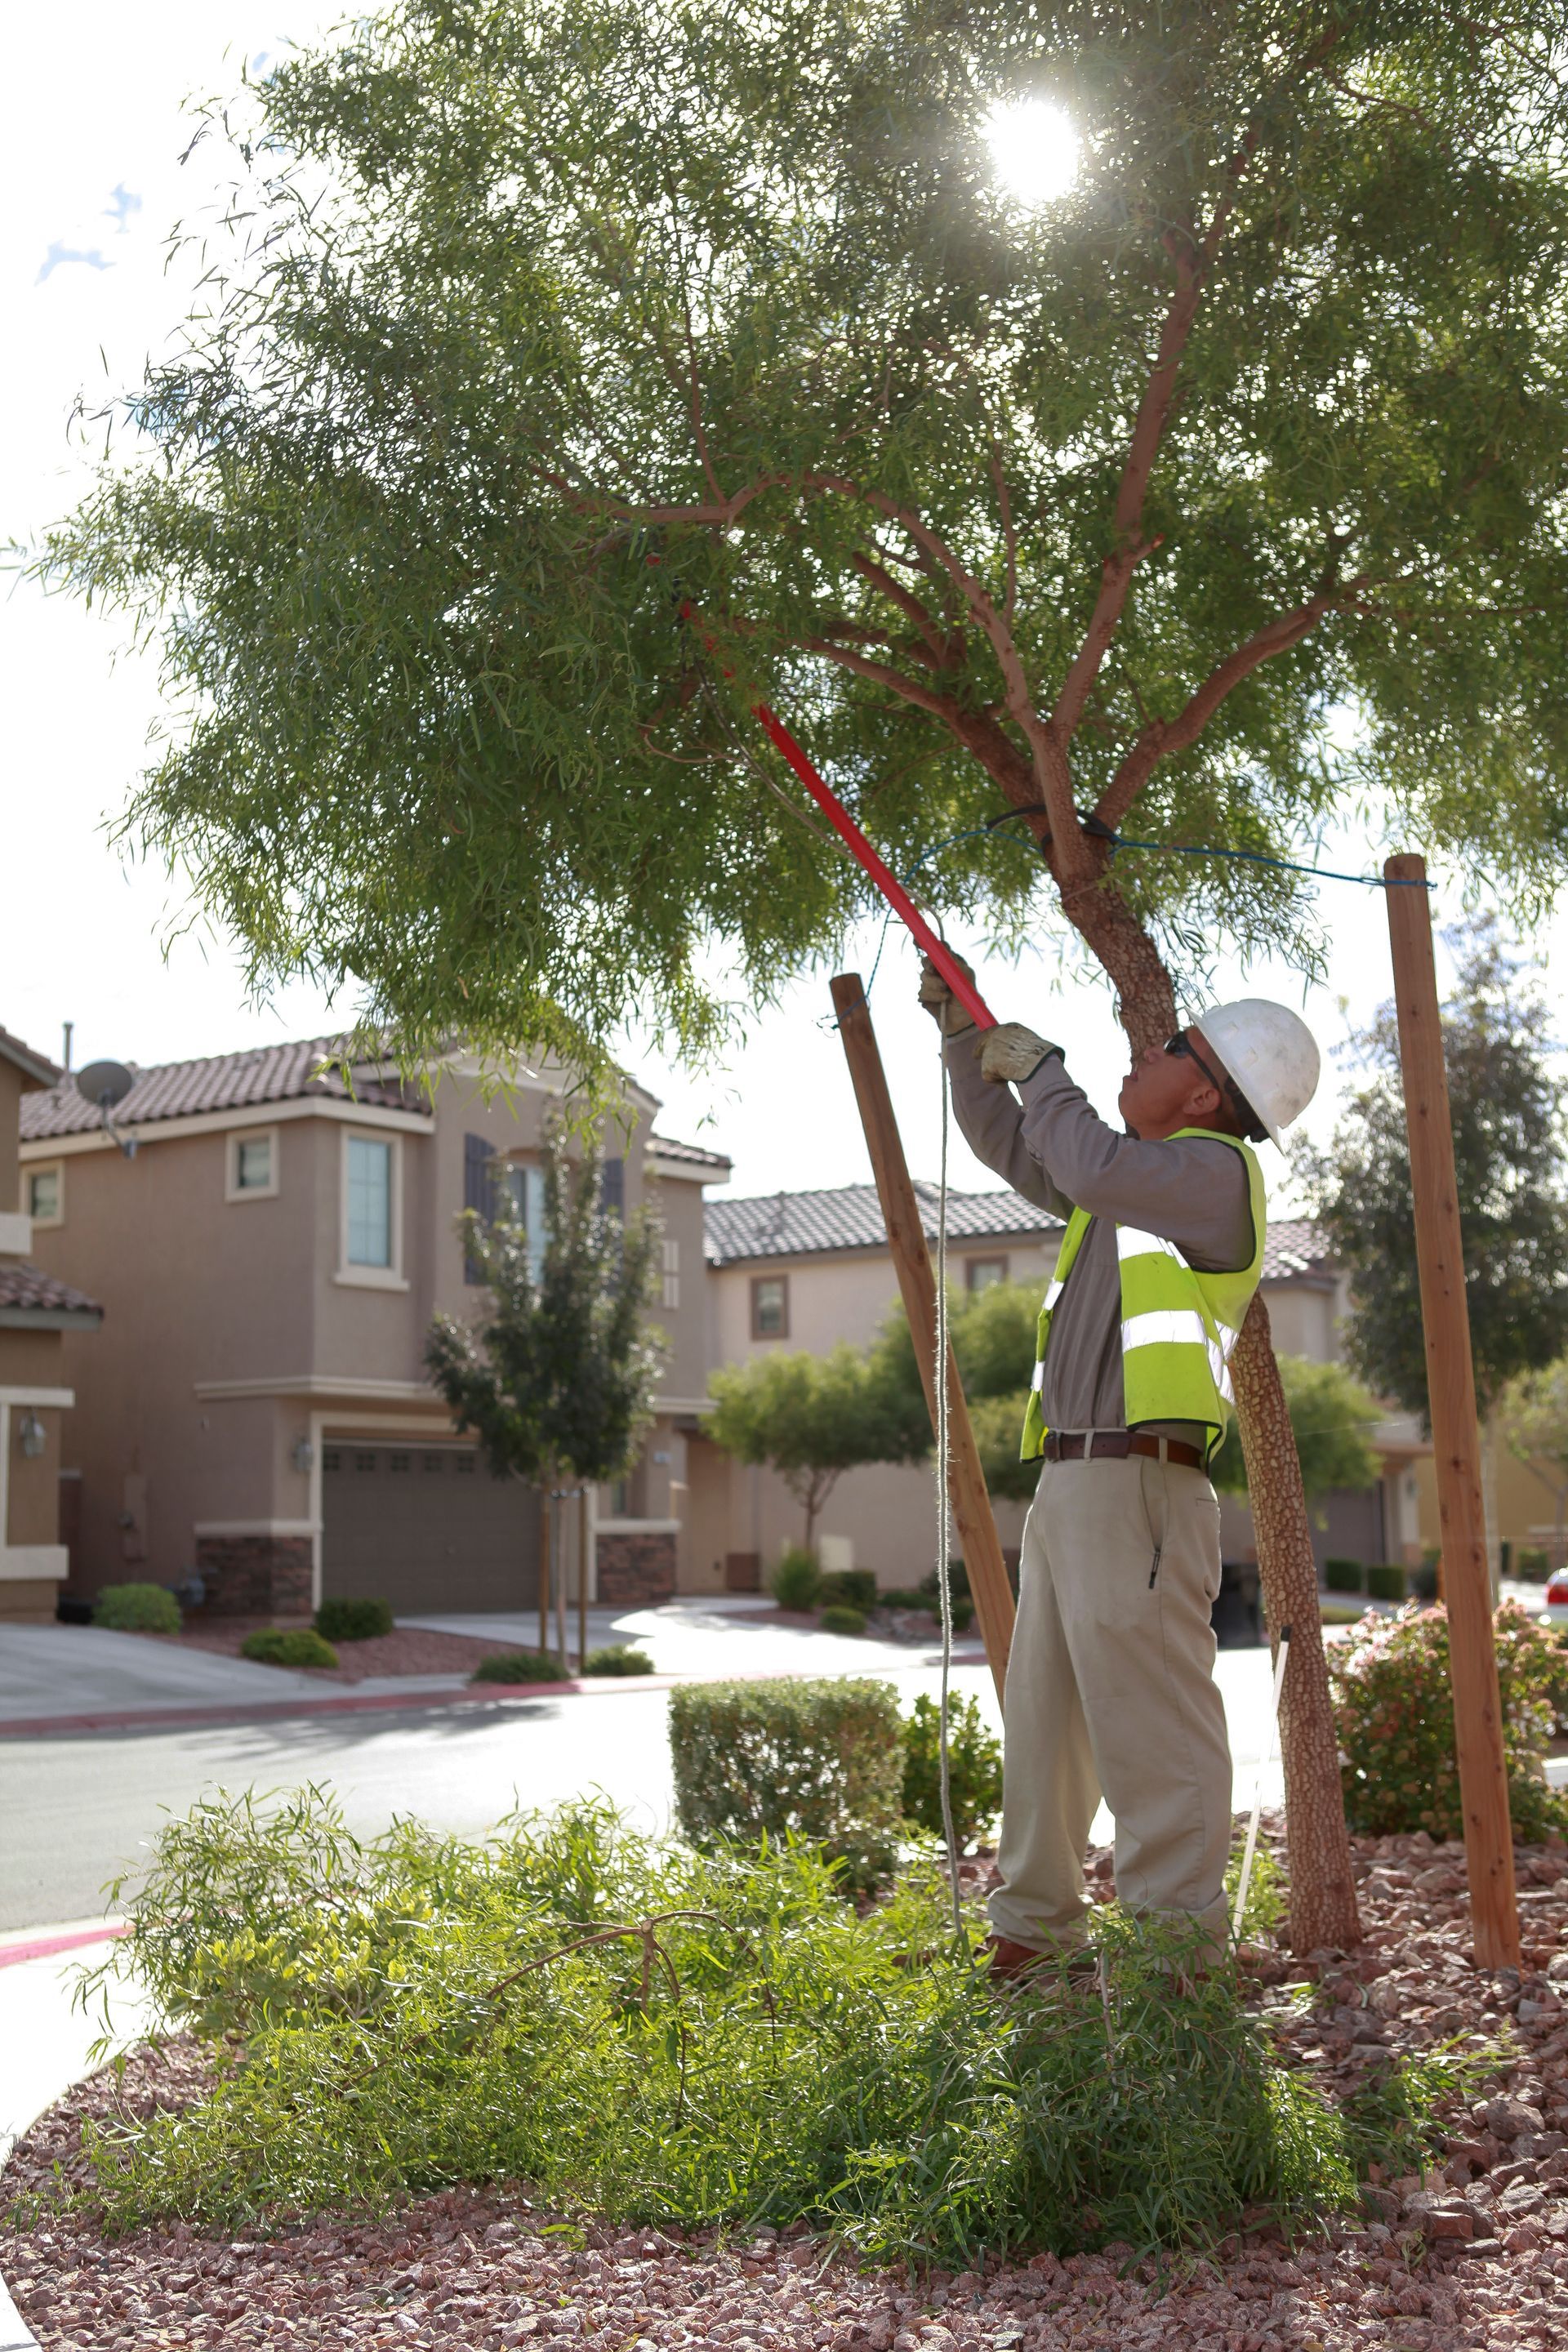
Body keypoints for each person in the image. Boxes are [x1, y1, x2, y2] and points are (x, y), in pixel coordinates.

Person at [919, 960, 1320, 1974]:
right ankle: (1032, 1937)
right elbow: (1022, 1143)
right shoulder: (1134, 1184)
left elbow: (1082, 1156)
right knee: (1048, 1726)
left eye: (1174, 1047)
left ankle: (1176, 1973)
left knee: (1155, 1734)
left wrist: (1047, 1065)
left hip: (1143, 1485)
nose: (1150, 1050)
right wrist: (965, 1040)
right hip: (1076, 1484)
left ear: (1206, 1096)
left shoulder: (1212, 1178)